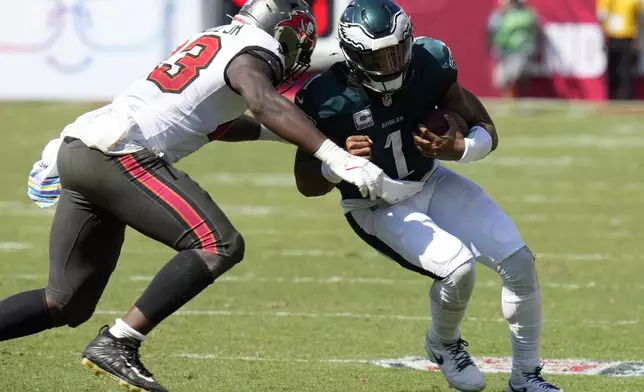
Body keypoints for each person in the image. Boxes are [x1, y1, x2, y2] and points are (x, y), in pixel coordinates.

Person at [0, 1, 406, 391]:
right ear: (282, 30)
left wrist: (284, 136)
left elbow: (215, 122)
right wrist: (334, 155)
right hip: (119, 154)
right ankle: (121, 341)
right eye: (297, 40)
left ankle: (116, 340)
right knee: (219, 244)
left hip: (82, 148)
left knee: (65, 301)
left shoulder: (218, 39)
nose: (297, 51)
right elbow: (262, 102)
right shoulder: (256, 48)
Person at [292, 0, 562, 391]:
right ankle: (444, 343)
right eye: (379, 57)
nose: (392, 63)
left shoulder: (430, 62)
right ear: (353, 56)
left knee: (519, 263)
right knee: (458, 269)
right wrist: (336, 162)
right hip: (375, 203)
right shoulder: (326, 96)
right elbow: (305, 182)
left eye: (398, 50)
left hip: (430, 180)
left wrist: (461, 150)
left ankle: (526, 377)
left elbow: (485, 127)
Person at [487, 0, 539, 98]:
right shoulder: (498, 16)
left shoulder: (526, 14)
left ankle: (517, 99)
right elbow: (491, 31)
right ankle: (508, 100)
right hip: (503, 51)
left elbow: (532, 26)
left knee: (516, 76)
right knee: (503, 80)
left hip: (520, 51)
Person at [597, 0, 641, 100]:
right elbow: (601, 16)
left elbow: (638, 17)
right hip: (611, 37)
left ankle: (625, 98)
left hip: (628, 37)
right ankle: (611, 97)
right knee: (612, 70)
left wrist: (637, 40)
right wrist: (603, 37)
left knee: (625, 70)